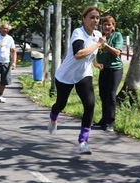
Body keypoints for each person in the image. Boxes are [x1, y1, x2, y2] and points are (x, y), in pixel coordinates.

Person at [47, 6, 106, 154]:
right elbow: (78, 54)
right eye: (91, 17)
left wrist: (95, 63)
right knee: (61, 104)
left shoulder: (97, 34)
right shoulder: (78, 33)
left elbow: (92, 52)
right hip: (65, 75)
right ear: (84, 19)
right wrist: (98, 44)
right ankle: (54, 116)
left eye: (97, 18)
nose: (95, 20)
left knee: (90, 104)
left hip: (83, 74)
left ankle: (83, 141)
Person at [94, 16, 124, 132]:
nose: (106, 27)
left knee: (111, 94)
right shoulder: (99, 37)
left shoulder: (117, 36)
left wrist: (105, 44)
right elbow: (94, 52)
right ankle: (104, 119)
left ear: (113, 27)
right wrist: (95, 63)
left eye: (109, 25)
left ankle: (110, 122)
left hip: (115, 69)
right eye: (105, 24)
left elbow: (117, 52)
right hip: (104, 69)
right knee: (103, 94)